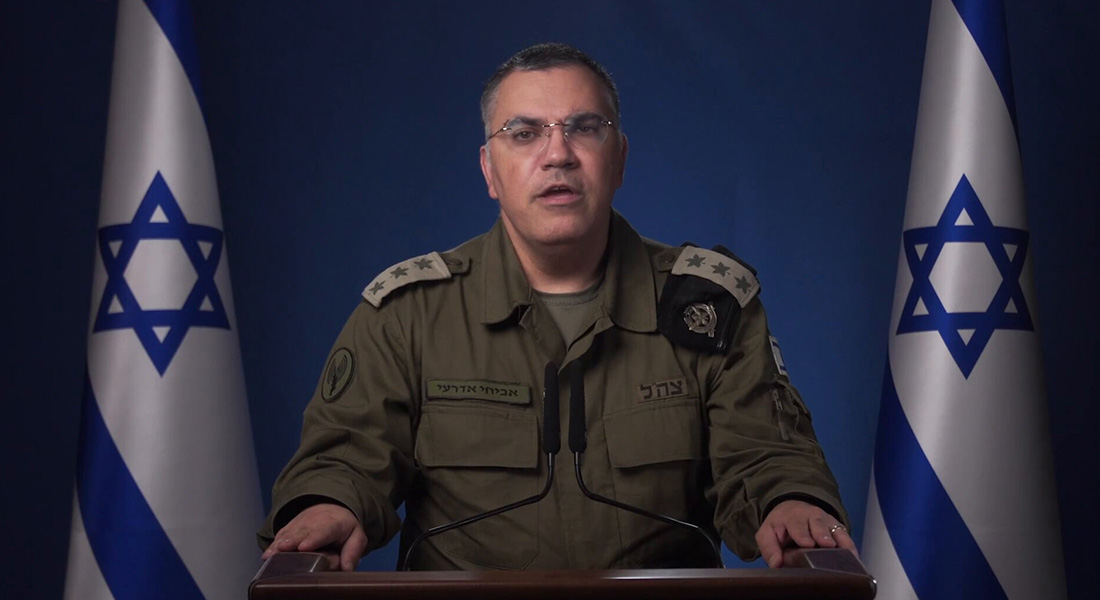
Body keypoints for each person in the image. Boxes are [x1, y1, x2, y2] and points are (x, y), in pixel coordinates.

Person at [258, 43, 855, 571]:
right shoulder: (408, 313)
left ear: (619, 158)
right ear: (490, 170)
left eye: (584, 128)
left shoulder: (709, 306)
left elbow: (766, 455)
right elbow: (346, 457)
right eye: (524, 133)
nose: (557, 154)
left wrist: (788, 502)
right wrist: (329, 505)